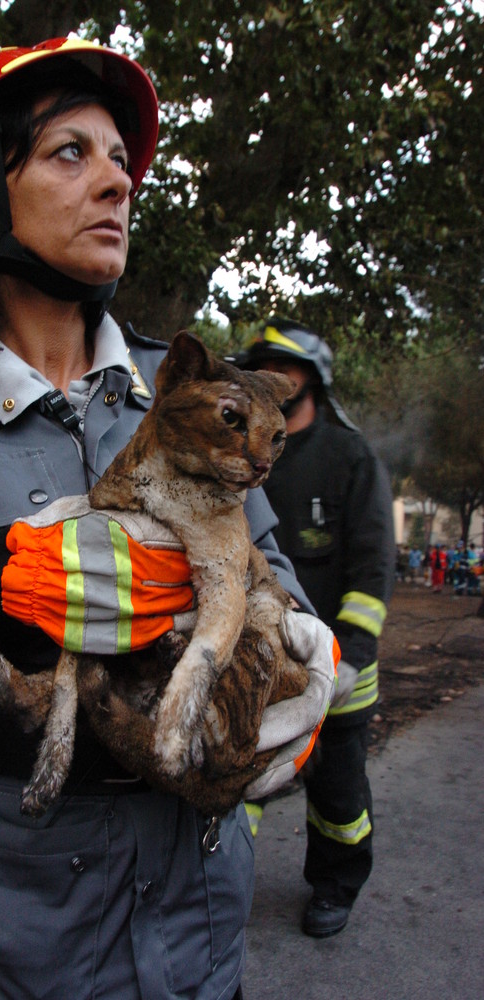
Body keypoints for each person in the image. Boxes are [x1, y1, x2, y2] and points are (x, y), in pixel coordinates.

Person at [0, 40, 337, 999]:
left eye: (122, 159)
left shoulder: (193, 398)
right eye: (72, 153)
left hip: (193, 921)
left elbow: (278, 580)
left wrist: (302, 673)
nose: (118, 181)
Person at [232, 318, 396, 939]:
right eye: (261, 366)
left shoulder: (350, 457)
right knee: (241, 777)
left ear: (312, 381)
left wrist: (349, 656)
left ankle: (336, 882)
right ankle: (224, 879)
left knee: (337, 793)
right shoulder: (251, 454)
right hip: (263, 663)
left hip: (340, 672)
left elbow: (372, 564)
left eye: (285, 367)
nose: (270, 378)